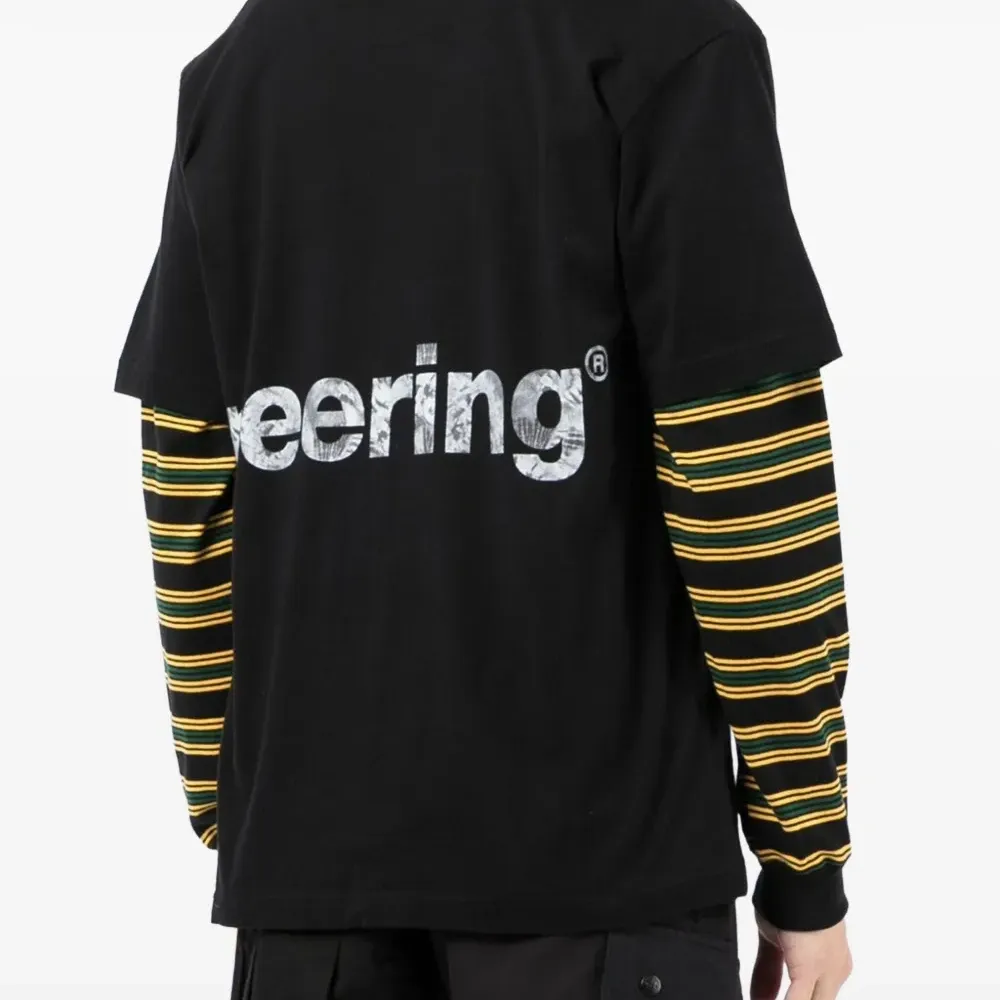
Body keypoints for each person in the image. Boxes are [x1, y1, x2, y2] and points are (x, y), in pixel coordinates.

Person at [115, 0, 854, 996]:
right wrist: (803, 853)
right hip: (595, 878)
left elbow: (189, 469)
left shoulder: (244, 67)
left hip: (309, 885)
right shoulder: (671, 37)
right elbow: (743, 466)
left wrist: (239, 800)